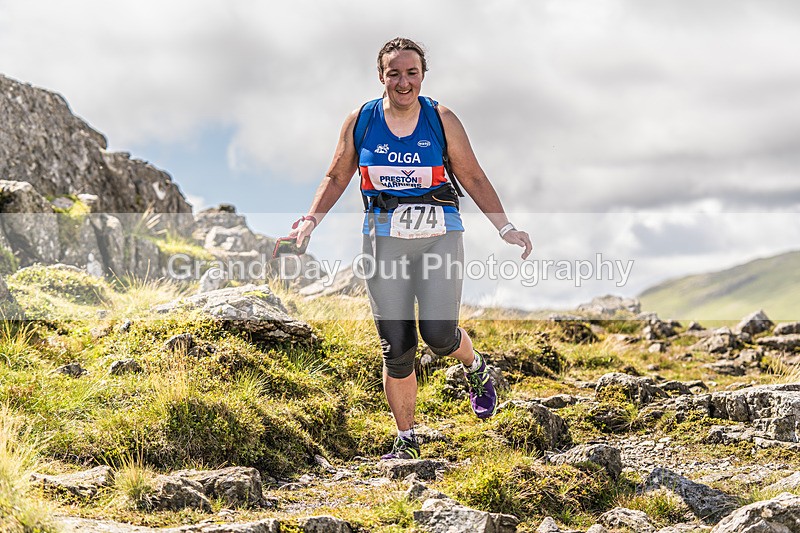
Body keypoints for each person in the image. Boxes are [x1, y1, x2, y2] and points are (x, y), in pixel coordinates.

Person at [288, 37, 532, 460]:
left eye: (411, 72)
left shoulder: (441, 119)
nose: (403, 81)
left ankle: (474, 368)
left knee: (438, 336)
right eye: (394, 72)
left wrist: (504, 226)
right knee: (396, 347)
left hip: (440, 236)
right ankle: (406, 440)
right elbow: (335, 176)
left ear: (423, 75)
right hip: (384, 241)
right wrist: (310, 219)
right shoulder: (361, 120)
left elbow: (472, 176)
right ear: (380, 75)